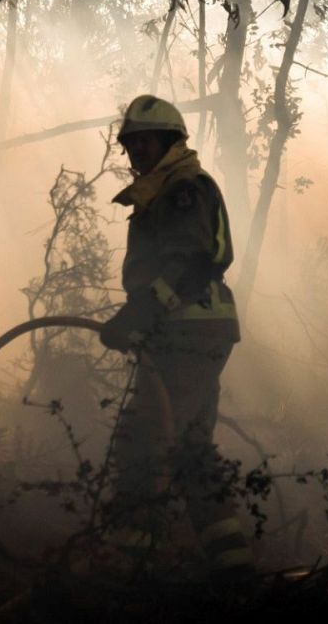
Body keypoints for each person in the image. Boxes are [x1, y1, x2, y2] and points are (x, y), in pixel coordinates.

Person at [101, 94, 253, 578]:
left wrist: (140, 313)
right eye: (130, 143)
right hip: (186, 331)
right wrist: (139, 316)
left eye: (144, 140)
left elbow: (189, 262)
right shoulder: (161, 189)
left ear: (168, 140)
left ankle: (132, 567)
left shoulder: (183, 187)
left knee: (145, 439)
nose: (136, 151)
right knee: (190, 450)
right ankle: (235, 568)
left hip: (191, 330)